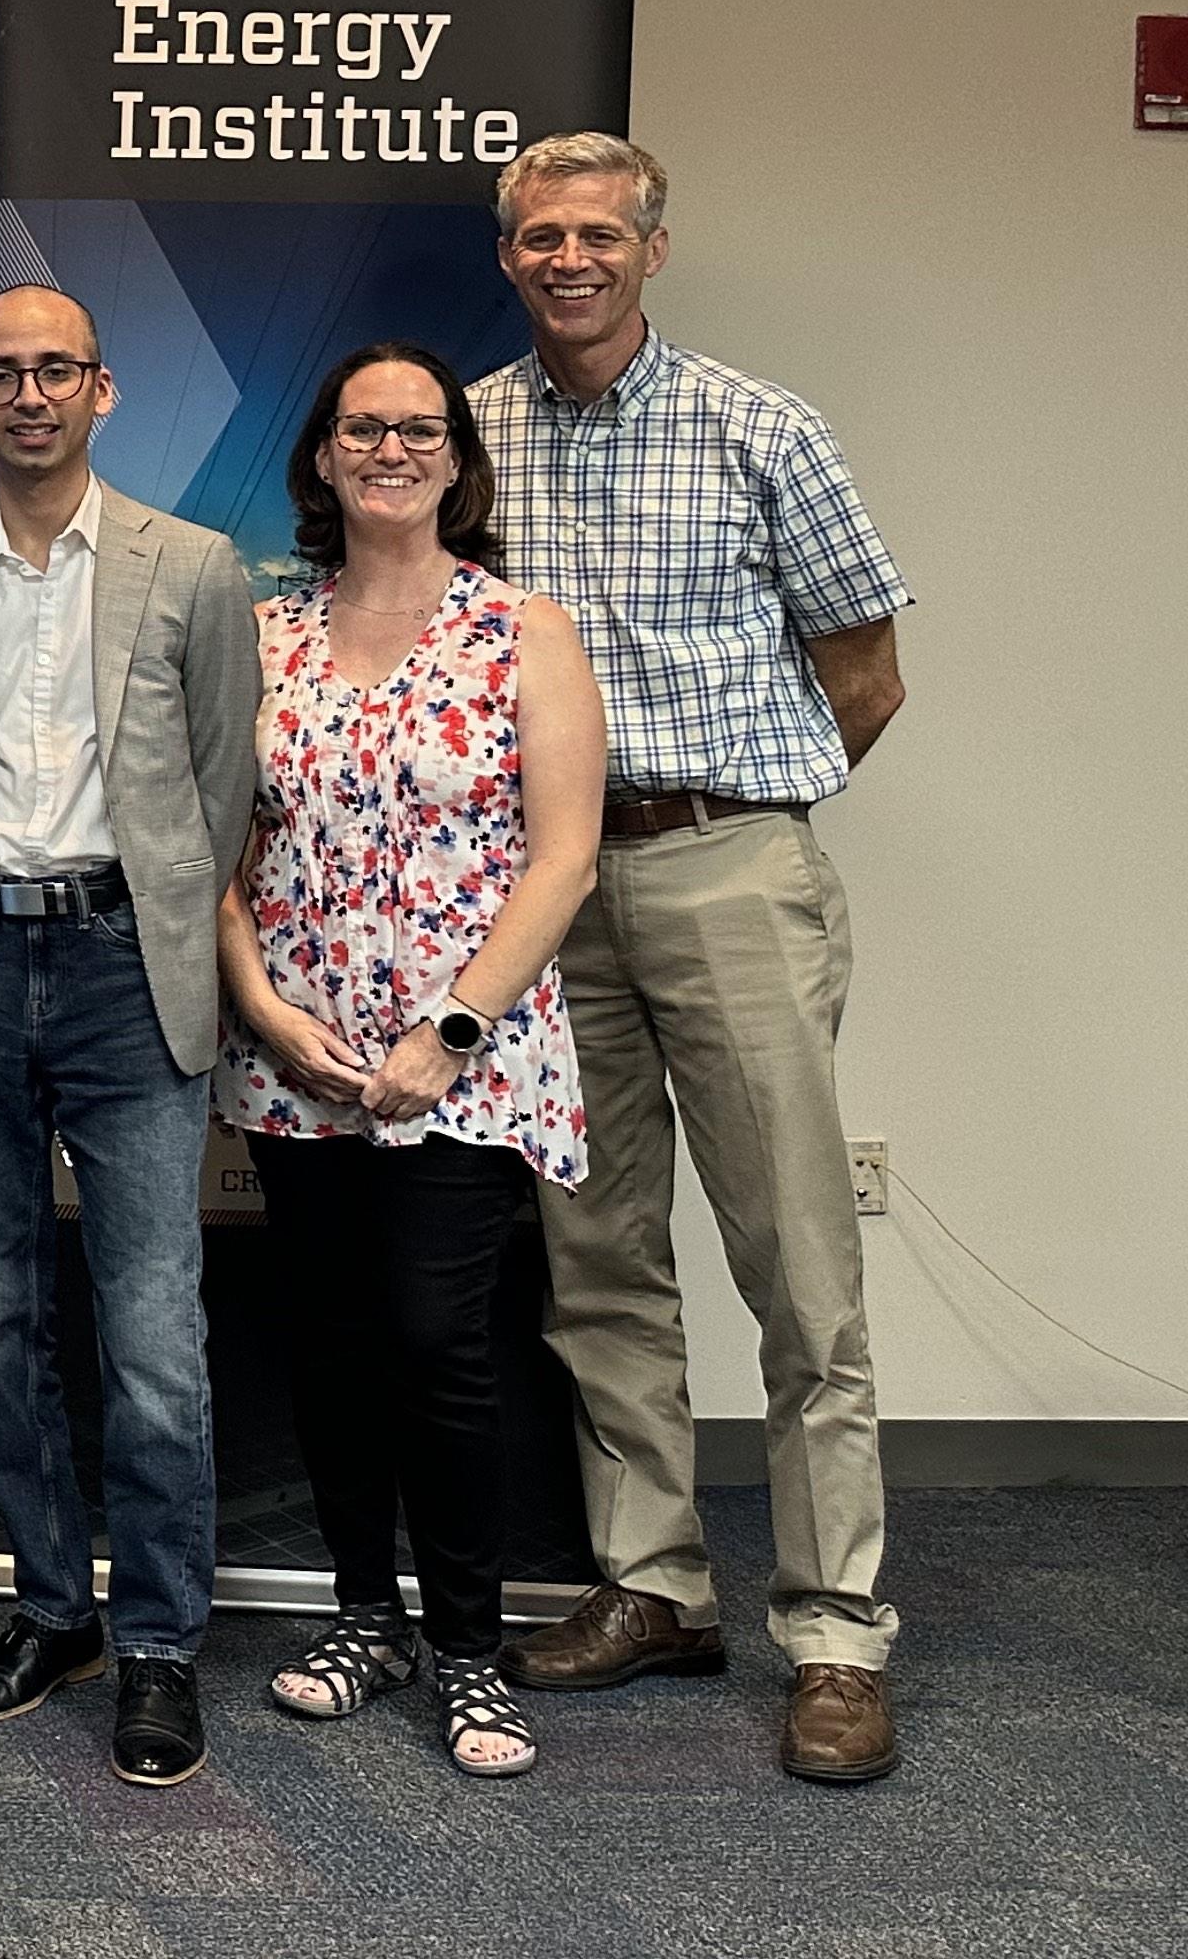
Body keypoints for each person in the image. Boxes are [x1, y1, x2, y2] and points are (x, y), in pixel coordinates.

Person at [470, 135, 914, 1787]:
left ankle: (833, 1628)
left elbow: (863, 666)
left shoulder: (761, 423)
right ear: (504, 253)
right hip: (547, 891)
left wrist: (736, 815)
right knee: (595, 1258)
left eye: (597, 230)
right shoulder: (470, 429)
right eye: (537, 233)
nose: (566, 255)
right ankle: (653, 1579)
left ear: (653, 246)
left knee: (800, 1268)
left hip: (728, 859)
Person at [0, 283, 255, 1787]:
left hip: (125, 969)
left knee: (155, 1335)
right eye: (0, 375)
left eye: (56, 370)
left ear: (102, 390)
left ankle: (158, 1642)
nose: (28, 395)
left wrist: (139, 916)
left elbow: (217, 796)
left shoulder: (196, 568)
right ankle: (49, 1610)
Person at [216, 344, 606, 1780]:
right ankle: (361, 1616)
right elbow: (215, 848)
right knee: (326, 1345)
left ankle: (467, 1647)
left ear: (457, 458)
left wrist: (450, 1030)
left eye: (418, 430)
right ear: (321, 455)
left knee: (442, 1346)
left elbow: (563, 857)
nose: (389, 448)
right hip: (300, 1053)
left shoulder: (527, 632)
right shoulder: (262, 636)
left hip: (466, 1054)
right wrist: (259, 1006)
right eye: (361, 428)